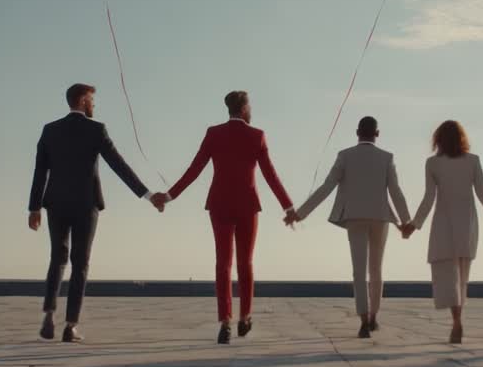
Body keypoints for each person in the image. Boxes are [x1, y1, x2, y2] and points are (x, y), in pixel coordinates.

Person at [151, 91, 295, 344]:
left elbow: (195, 168)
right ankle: (245, 317)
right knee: (245, 263)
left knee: (223, 263)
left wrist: (169, 196)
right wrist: (288, 206)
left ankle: (225, 321)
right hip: (248, 205)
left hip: (219, 203)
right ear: (244, 109)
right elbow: (270, 175)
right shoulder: (257, 135)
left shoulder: (214, 133)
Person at [28, 83, 162, 343]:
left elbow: (39, 171)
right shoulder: (96, 130)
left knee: (57, 258)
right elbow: (118, 165)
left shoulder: (50, 130)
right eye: (91, 100)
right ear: (82, 101)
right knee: (80, 263)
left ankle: (48, 314)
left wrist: (34, 207)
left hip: (55, 203)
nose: (94, 105)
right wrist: (147, 195)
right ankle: (70, 326)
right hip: (85, 205)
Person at [285, 116, 412, 338]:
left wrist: (300, 213)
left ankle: (363, 320)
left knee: (359, 270)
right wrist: (405, 222)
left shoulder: (345, 156)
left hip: (354, 217)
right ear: (377, 133)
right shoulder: (386, 157)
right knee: (376, 269)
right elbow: (396, 191)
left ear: (357, 132)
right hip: (380, 217)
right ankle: (374, 317)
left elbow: (326, 187)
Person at [401, 120, 483, 344]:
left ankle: (456, 320)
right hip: (466, 223)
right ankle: (459, 319)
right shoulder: (473, 161)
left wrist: (413, 224)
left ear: (438, 139)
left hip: (443, 223)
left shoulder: (432, 164)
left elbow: (428, 199)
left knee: (449, 278)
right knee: (462, 276)